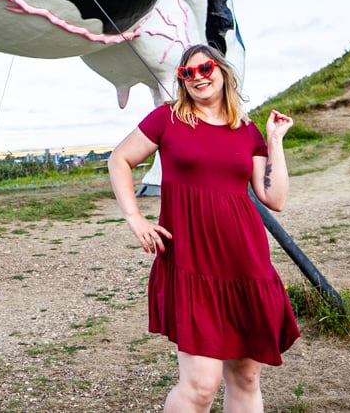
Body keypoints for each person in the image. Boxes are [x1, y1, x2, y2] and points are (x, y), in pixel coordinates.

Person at [108, 43, 299, 413]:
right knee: (200, 386)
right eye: (187, 73)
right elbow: (120, 159)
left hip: (245, 264)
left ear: (223, 72)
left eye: (205, 68)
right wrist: (134, 216)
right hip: (192, 264)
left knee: (245, 378)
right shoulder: (168, 119)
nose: (197, 77)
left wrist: (274, 141)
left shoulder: (246, 131)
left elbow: (274, 198)